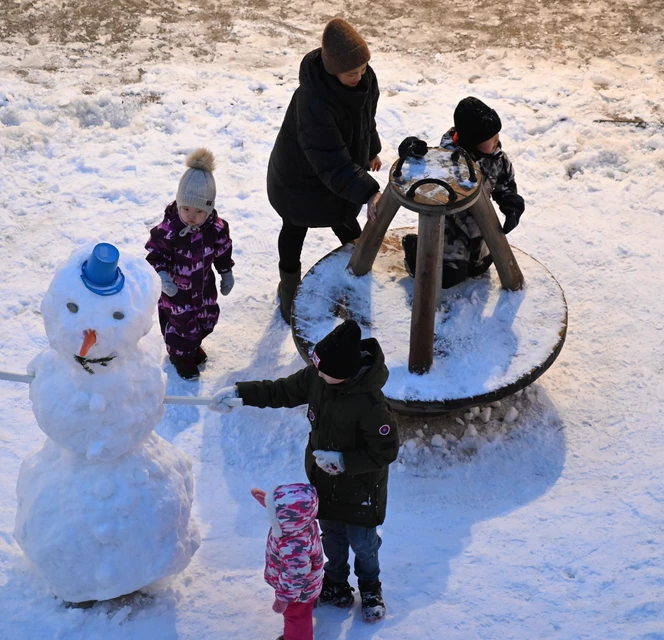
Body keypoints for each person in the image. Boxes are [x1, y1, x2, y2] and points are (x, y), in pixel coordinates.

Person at [211, 320, 399, 622]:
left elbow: (385, 451)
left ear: (345, 373)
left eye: (324, 371)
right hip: (323, 484)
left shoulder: (372, 406)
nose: (318, 374)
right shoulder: (318, 378)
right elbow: (281, 391)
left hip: (361, 490)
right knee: (331, 538)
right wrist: (240, 394)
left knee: (363, 544)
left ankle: (370, 587)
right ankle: (335, 584)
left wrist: (343, 461)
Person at [267, 18, 383, 322]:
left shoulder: (365, 81)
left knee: (346, 223)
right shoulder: (312, 101)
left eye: (362, 69)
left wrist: (371, 149)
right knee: (294, 229)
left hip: (339, 176)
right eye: (351, 73)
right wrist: (369, 189)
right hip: (299, 181)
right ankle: (289, 288)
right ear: (332, 70)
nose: (359, 76)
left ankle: (359, 275)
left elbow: (366, 119)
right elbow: (329, 159)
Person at [402, 96, 525, 289]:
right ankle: (415, 250)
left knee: (479, 267)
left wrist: (511, 205)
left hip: (478, 223)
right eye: (491, 139)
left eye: (497, 136)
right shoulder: (446, 159)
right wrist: (411, 151)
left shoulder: (496, 158)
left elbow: (505, 184)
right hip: (450, 225)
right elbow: (420, 173)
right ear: (472, 140)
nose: (497, 142)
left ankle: (470, 259)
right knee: (447, 276)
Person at [146, 148, 235, 380]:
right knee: (182, 326)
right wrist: (164, 278)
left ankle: (191, 347)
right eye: (186, 209)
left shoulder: (216, 228)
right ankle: (180, 357)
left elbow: (223, 250)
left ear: (209, 208)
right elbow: (155, 255)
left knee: (206, 320)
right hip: (176, 292)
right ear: (179, 203)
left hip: (204, 288)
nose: (191, 216)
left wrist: (226, 273)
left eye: (199, 211)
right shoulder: (169, 231)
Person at [250, 484, 324, 640]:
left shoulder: (294, 544)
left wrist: (284, 598)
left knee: (296, 617)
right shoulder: (303, 523)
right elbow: (292, 513)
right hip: (306, 584)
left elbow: (294, 575)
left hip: (298, 591)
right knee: (300, 612)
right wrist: (270, 502)